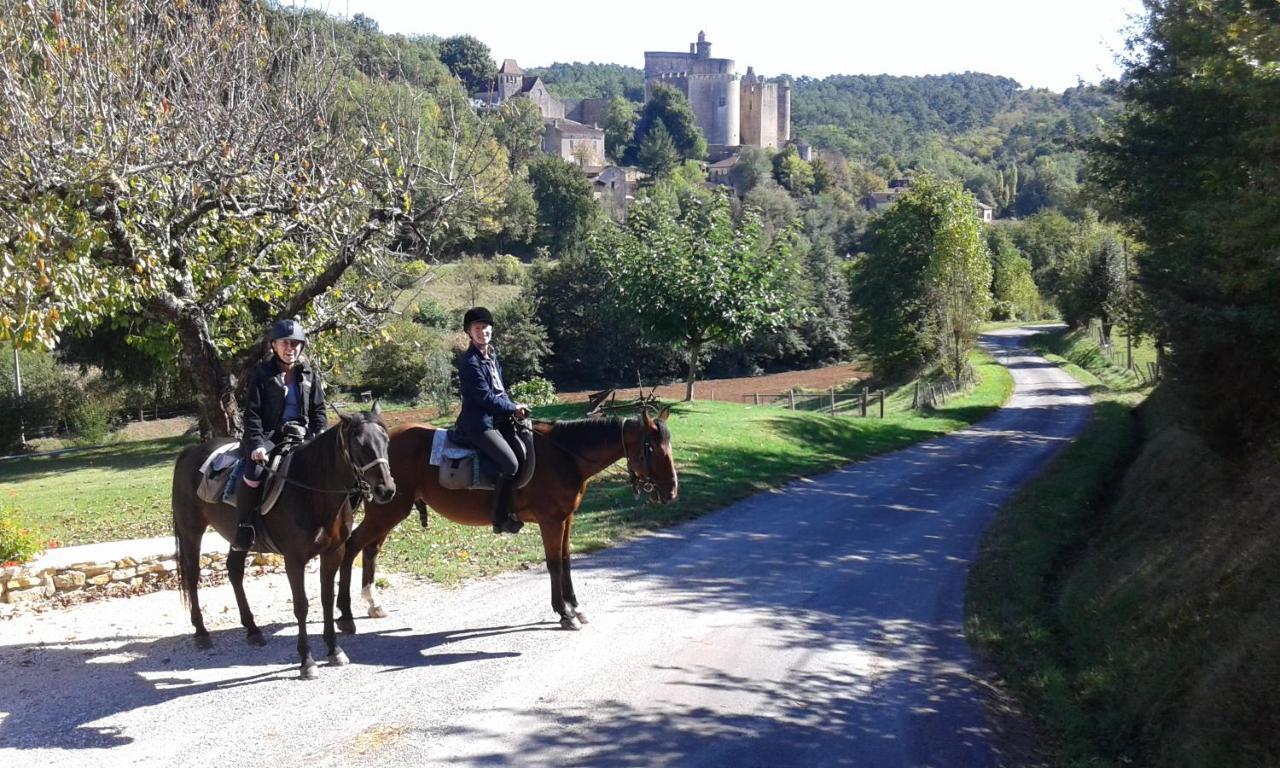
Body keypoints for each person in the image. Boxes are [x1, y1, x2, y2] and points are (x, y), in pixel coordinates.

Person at [231, 318, 328, 552]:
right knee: (254, 472)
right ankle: (244, 527)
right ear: (274, 345)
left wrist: (321, 435)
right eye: (285, 343)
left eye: (295, 343)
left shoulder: (309, 375)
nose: (290, 348)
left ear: (301, 346)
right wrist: (256, 444)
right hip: (269, 436)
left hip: (302, 436)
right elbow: (252, 413)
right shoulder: (262, 374)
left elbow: (319, 411)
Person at [455, 306, 530, 534]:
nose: (482, 332)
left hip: (497, 418)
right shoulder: (470, 362)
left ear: (491, 330)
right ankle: (499, 519)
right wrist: (512, 408)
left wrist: (514, 406)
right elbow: (485, 397)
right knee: (510, 464)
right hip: (478, 423)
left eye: (485, 327)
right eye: (477, 328)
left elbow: (500, 391)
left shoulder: (492, 355)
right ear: (469, 332)